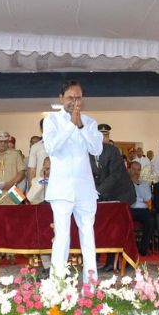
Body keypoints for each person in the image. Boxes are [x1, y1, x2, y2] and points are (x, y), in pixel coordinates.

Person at [44, 80, 103, 283]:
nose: (74, 101)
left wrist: (81, 126)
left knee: (88, 237)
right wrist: (71, 125)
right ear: (61, 98)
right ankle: (57, 285)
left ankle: (91, 285)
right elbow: (52, 148)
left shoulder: (89, 122)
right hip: (61, 190)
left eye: (78, 98)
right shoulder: (51, 121)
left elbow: (97, 149)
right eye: (70, 97)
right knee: (62, 237)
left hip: (85, 189)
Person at [91, 124, 136, 271]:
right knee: (102, 226)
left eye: (105, 136)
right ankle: (101, 259)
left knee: (117, 228)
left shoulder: (112, 151)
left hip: (120, 194)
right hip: (104, 194)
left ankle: (121, 261)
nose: (103, 138)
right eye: (100, 135)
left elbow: (115, 175)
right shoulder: (88, 151)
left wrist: (97, 191)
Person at [129, 161, 155, 257]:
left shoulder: (144, 184)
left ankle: (143, 248)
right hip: (129, 208)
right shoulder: (125, 183)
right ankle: (129, 248)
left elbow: (147, 198)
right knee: (124, 221)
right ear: (129, 170)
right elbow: (128, 198)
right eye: (134, 169)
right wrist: (132, 183)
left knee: (151, 220)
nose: (136, 172)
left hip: (143, 209)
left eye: (138, 170)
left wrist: (138, 185)